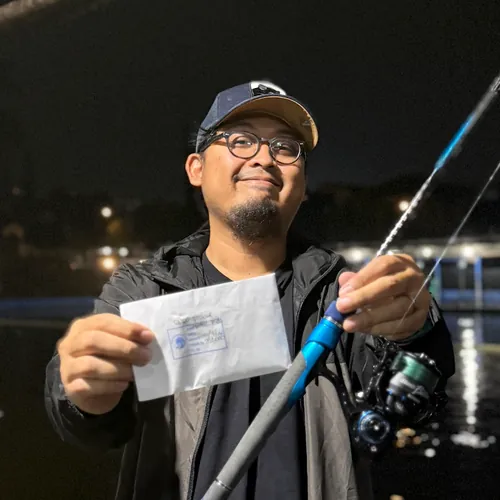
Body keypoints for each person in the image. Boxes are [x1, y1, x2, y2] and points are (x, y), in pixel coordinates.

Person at [44, 80, 455, 500]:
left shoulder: (343, 292)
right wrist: (81, 391)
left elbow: (418, 403)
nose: (264, 157)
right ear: (196, 169)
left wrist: (419, 331)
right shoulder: (144, 288)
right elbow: (91, 426)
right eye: (240, 140)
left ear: (303, 184)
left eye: (286, 147)